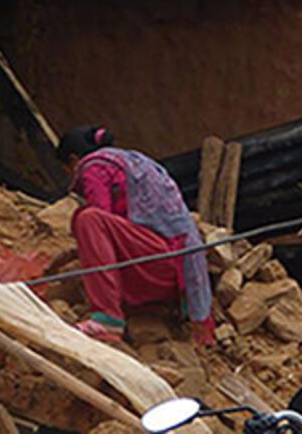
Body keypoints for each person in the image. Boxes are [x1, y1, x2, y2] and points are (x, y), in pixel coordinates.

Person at [51, 124, 214, 345]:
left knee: (87, 218)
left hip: (158, 264)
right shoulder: (133, 162)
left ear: (73, 160)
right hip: (177, 273)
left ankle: (107, 319)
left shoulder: (94, 166)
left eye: (66, 169)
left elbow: (100, 218)